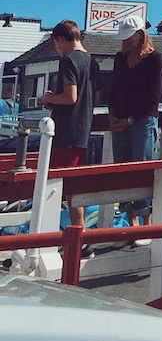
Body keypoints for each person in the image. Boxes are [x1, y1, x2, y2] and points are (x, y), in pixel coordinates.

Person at [108, 17, 162, 227]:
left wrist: (130, 120)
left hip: (143, 121)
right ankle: (131, 222)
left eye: (127, 38)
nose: (124, 43)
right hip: (121, 119)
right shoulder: (119, 59)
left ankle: (146, 221)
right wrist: (112, 116)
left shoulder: (154, 59)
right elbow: (113, 89)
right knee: (121, 169)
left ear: (139, 35)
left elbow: (153, 97)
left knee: (141, 168)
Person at [39, 20, 94, 227]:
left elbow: (70, 97)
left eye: (56, 44)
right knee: (75, 191)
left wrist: (49, 99)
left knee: (56, 186)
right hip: (82, 130)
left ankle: (64, 238)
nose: (57, 49)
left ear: (61, 39)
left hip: (66, 131)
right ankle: (80, 237)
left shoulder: (69, 61)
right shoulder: (91, 60)